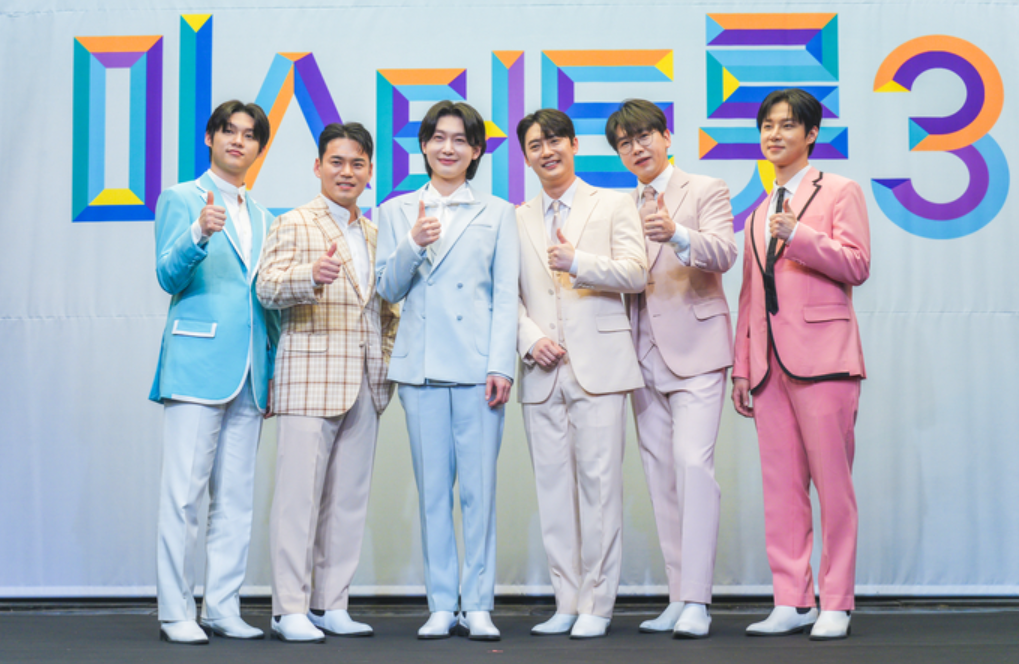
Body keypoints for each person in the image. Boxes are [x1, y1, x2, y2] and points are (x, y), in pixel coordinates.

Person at [375, 100, 519, 641]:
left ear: (476, 150)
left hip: (479, 368)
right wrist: (413, 244)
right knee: (433, 492)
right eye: (438, 137)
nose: (448, 148)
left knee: (478, 493)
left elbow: (505, 295)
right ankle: (441, 603)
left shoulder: (498, 212)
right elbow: (387, 289)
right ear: (424, 145)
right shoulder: (396, 211)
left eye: (460, 139)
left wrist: (501, 364)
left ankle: (477, 603)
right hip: (421, 367)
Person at [732, 88, 870, 640]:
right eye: (768, 125)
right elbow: (750, 296)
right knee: (782, 489)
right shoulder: (757, 212)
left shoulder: (839, 190)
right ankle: (792, 600)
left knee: (834, 487)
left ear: (811, 134)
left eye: (787, 125)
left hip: (825, 360)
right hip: (769, 368)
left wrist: (802, 236)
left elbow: (857, 264)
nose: (774, 134)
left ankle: (836, 601)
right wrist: (742, 367)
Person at [256, 122, 399, 643]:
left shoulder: (377, 235)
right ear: (318, 166)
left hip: (365, 382)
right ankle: (288, 609)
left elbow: (389, 310)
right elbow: (267, 288)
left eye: (357, 163)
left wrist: (384, 361)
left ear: (369, 171)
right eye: (336, 162)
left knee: (347, 502)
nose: (347, 172)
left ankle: (330, 603)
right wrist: (308, 277)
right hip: (309, 379)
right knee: (297, 500)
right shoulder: (294, 222)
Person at [605, 99, 737, 638]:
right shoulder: (617, 205)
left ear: (665, 136)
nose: (636, 148)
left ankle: (698, 601)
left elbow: (724, 253)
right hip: (640, 356)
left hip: (697, 349)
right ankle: (679, 594)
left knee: (692, 467)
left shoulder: (705, 189)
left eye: (643, 136)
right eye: (624, 143)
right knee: (661, 480)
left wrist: (678, 232)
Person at [515, 109, 647, 639]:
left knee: (600, 488)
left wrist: (579, 262)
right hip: (541, 368)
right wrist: (529, 339)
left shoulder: (613, 203)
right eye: (535, 145)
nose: (546, 151)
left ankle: (597, 603)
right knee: (552, 492)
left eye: (554, 141)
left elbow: (636, 273)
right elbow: (506, 294)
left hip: (600, 366)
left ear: (574, 144)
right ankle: (566, 600)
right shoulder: (517, 216)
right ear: (525, 157)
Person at [150, 100, 278, 644]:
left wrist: (270, 368)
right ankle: (175, 611)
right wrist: (199, 234)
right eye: (229, 130)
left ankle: (223, 606)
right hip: (197, 363)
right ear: (210, 137)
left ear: (258, 148)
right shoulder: (181, 198)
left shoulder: (265, 216)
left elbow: (267, 300)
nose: (238, 141)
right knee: (184, 495)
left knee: (236, 499)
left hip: (250, 371)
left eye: (249, 135)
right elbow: (167, 275)